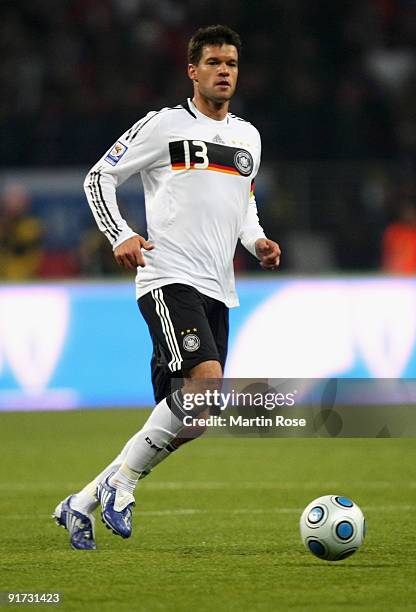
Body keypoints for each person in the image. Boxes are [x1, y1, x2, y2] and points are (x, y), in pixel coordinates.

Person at [53, 24, 281, 550]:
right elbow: (99, 178)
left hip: (218, 289)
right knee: (205, 381)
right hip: (168, 277)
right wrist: (122, 233)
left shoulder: (249, 137)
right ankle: (123, 484)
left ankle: (82, 501)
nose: (224, 71)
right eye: (214, 63)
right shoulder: (164, 126)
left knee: (196, 416)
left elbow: (243, 204)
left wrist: (259, 240)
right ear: (193, 71)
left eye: (232, 64)